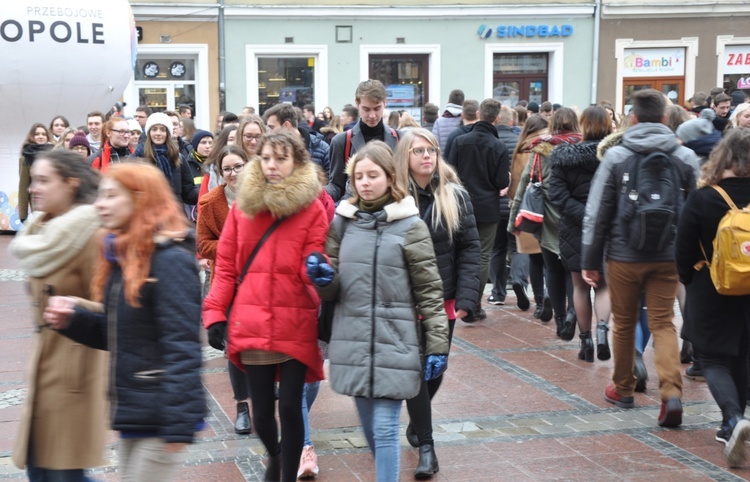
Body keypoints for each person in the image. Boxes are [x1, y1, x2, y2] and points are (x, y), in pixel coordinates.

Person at [43, 162, 206, 481]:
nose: (99, 204)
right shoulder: (126, 255)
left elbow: (183, 345)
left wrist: (178, 424)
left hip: (161, 417)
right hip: (137, 413)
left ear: (140, 198)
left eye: (110, 196)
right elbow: (114, 332)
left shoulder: (170, 260)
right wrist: (72, 319)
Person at [310, 140, 449, 482]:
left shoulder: (411, 226)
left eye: (373, 175)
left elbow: (430, 292)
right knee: (373, 431)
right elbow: (332, 290)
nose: (365, 183)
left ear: (390, 177)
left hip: (396, 341)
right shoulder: (342, 223)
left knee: (386, 429)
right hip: (353, 341)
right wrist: (323, 278)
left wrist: (437, 345)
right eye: (359, 176)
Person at [202, 132, 328, 482]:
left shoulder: (312, 207)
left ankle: (286, 474)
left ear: (297, 163)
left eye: (281, 158)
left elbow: (314, 254)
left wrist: (319, 268)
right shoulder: (244, 206)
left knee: (289, 407)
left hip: (294, 319)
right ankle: (276, 456)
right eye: (267, 157)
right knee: (260, 415)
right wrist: (214, 314)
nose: (272, 165)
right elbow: (226, 266)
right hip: (251, 319)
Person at [581, 88, 699, 426]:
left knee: (624, 321)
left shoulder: (617, 157)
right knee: (663, 322)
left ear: (632, 118)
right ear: (665, 118)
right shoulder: (686, 157)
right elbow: (695, 211)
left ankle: (623, 388)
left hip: (623, 255)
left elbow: (597, 211)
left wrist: (590, 259)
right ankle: (671, 395)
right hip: (669, 255)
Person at [10, 150, 106, 482]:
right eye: (32, 180)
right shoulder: (39, 230)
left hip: (74, 373)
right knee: (42, 470)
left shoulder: (91, 233)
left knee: (62, 474)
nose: (33, 188)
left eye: (43, 181)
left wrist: (74, 308)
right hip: (44, 367)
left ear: (70, 184)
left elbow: (112, 307)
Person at [395, 129, 480, 478]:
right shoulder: (395, 197)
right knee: (416, 370)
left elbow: (471, 248)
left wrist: (468, 297)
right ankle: (427, 449)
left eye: (431, 150)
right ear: (405, 156)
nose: (427, 156)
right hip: (407, 299)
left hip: (444, 299)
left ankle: (418, 418)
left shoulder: (454, 195)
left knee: (437, 367)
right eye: (418, 151)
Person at [675, 128, 750, 465]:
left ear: (725, 156)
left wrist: (690, 279)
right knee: (744, 355)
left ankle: (733, 419)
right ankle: (728, 425)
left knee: (712, 359)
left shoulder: (704, 197)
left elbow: (684, 248)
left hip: (711, 285)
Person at [196, 145, 254, 436]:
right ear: (220, 172)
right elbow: (202, 243)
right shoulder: (210, 202)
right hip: (227, 280)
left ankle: (267, 393)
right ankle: (242, 406)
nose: (232, 173)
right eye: (227, 168)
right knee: (234, 345)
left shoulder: (263, 196)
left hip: (259, 281)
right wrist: (232, 246)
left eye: (237, 166)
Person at [510, 108, 582, 339]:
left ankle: (560, 320)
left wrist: (514, 222)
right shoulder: (585, 148)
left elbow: (525, 185)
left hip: (549, 218)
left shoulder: (541, 150)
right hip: (576, 218)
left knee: (553, 268)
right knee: (574, 271)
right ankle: (573, 313)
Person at [548, 105, 613, 362]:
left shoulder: (564, 156)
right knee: (605, 286)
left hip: (575, 227)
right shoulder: (615, 155)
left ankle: (585, 340)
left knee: (579, 285)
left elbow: (557, 196)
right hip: (608, 227)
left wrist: (584, 214)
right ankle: (601, 333)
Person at [448, 98, 510, 322]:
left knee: (458, 252)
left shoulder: (460, 141)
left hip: (459, 204)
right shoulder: (499, 146)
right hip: (487, 207)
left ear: (478, 115)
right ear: (496, 119)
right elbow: (501, 181)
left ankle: (459, 299)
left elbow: (449, 172)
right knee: (483, 255)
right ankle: (473, 303)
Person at [327, 80, 400, 202]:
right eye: (366, 109)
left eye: (377, 109)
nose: (372, 115)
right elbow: (336, 186)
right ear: (357, 104)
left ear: (385, 103)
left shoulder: (400, 139)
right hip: (356, 213)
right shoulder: (341, 142)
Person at [507, 115, 550, 320]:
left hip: (527, 210)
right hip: (549, 210)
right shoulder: (550, 146)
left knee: (534, 258)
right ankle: (551, 295)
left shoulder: (520, 150)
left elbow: (515, 187)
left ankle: (540, 302)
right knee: (550, 258)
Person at [132, 112, 199, 207]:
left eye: (163, 130)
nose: (158, 133)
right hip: (146, 215)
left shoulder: (177, 158)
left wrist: (206, 194)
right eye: (154, 129)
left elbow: (189, 192)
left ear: (168, 133)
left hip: (173, 214)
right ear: (149, 132)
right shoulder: (137, 158)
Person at [488, 105, 519, 307]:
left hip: (493, 205)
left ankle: (498, 293)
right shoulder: (519, 143)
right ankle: (519, 283)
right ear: (511, 122)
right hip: (515, 203)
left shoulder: (489, 142)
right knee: (516, 247)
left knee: (497, 249)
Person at [18, 123, 53, 223]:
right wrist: (23, 214)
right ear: (32, 136)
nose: (41, 136)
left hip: (54, 202)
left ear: (47, 136)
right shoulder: (25, 158)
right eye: (37, 134)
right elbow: (23, 186)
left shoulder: (55, 155)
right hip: (37, 205)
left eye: (43, 134)